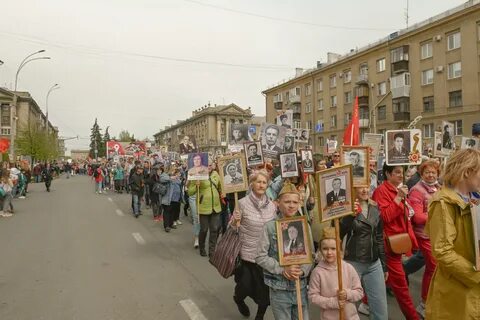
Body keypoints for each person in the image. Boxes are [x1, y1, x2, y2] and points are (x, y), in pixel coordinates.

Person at [425, 149, 480, 319]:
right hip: (458, 289)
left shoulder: (473, 198)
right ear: (467, 172)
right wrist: (476, 276)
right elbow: (442, 251)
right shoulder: (443, 202)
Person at [256, 182, 314, 320]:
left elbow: (311, 254)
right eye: (287, 201)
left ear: (300, 203)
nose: (291, 205)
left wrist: (303, 271)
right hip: (279, 290)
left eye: (295, 202)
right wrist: (282, 269)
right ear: (278, 203)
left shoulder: (304, 225)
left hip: (300, 287)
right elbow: (260, 256)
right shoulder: (269, 227)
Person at [372, 164, 419, 319]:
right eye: (397, 172)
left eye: (402, 172)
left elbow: (406, 216)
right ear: (387, 173)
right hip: (389, 245)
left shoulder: (399, 188)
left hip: (397, 242)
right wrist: (399, 197)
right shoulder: (381, 191)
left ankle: (366, 302)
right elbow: (384, 217)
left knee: (380, 278)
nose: (401, 175)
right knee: (401, 286)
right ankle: (413, 317)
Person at [231, 170, 277, 320]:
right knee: (243, 287)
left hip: (265, 256)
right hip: (247, 255)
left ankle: (260, 316)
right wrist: (234, 221)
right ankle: (238, 299)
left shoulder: (272, 206)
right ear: (252, 184)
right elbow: (231, 229)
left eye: (264, 182)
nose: (261, 185)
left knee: (264, 292)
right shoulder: (242, 203)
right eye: (258, 182)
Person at [340, 187, 388, 320]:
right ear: (353, 188)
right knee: (347, 310)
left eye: (367, 186)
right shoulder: (345, 207)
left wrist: (384, 265)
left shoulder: (375, 207)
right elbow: (338, 233)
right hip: (353, 263)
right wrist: (349, 216)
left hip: (374, 263)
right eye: (361, 187)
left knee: (381, 311)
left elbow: (379, 238)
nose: (365, 190)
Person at [405, 160, 440, 318]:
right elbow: (417, 218)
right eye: (427, 172)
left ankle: (394, 276)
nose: (431, 175)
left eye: (433, 172)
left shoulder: (438, 188)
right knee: (432, 267)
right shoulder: (417, 191)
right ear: (422, 173)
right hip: (423, 235)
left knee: (431, 265)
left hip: (436, 233)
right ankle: (424, 303)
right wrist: (439, 214)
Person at [309, 227, 364, 320]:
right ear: (320, 250)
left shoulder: (348, 268)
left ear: (339, 249)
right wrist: (333, 302)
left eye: (333, 248)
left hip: (350, 317)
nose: (329, 252)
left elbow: (359, 292)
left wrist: (347, 294)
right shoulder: (317, 272)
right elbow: (312, 297)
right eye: (325, 248)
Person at [187, 159, 222, 257]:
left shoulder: (216, 174)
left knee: (214, 229)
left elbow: (220, 187)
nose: (209, 167)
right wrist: (196, 186)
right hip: (203, 207)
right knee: (204, 229)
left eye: (211, 165)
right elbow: (190, 192)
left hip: (216, 207)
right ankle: (202, 247)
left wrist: (223, 190)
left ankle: (212, 250)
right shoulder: (198, 175)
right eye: (208, 165)